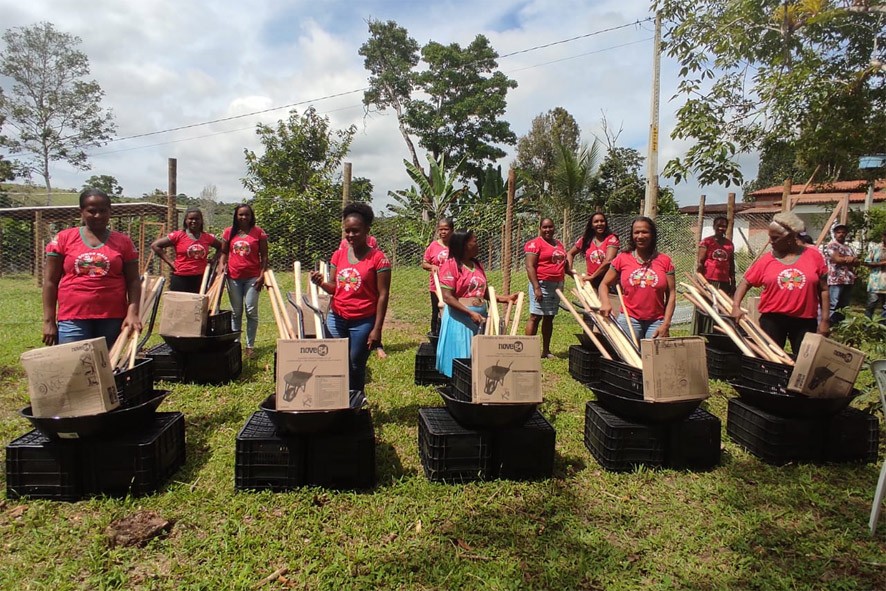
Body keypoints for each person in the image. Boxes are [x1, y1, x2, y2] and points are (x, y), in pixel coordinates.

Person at [42, 188, 142, 348]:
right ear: (81, 211)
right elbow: (50, 282)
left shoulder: (123, 242)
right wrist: (49, 321)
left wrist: (133, 313)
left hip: (112, 317)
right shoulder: (63, 239)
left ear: (110, 211)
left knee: (106, 367)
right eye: (91, 211)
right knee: (75, 367)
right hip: (73, 317)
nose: (98, 216)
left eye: (103, 211)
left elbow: (133, 281)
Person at [310, 203, 390, 393]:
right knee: (335, 362)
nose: (351, 235)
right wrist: (321, 282)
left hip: (363, 322)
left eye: (356, 231)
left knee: (355, 366)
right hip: (336, 318)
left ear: (367, 230)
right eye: (347, 231)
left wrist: (376, 329)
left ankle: (355, 405)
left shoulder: (379, 259)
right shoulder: (338, 255)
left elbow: (383, 294)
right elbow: (334, 289)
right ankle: (336, 402)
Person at [731, 212, 829, 354]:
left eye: (775, 238)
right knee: (770, 359)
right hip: (772, 320)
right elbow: (745, 283)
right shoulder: (766, 260)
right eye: (770, 237)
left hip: (804, 321)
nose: (770, 241)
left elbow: (824, 290)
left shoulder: (814, 256)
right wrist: (736, 306)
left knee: (804, 359)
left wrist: (825, 321)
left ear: (790, 237)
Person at [435, 230, 517, 378]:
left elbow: (483, 292)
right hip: (460, 320)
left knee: (478, 355)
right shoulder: (451, 265)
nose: (478, 244)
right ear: (464, 245)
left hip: (479, 318)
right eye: (474, 241)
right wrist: (470, 313)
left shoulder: (477, 264)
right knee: (463, 354)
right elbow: (447, 297)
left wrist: (505, 298)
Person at [598, 216, 676, 340]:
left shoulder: (665, 261)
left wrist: (666, 323)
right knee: (629, 357)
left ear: (652, 235)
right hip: (629, 319)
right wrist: (605, 303)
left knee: (655, 358)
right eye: (636, 232)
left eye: (644, 232)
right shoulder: (622, 258)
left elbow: (671, 294)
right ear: (632, 235)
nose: (640, 236)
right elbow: (604, 284)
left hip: (656, 321)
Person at [219, 204, 268, 358]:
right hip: (233, 277)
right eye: (240, 214)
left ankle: (250, 346)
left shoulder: (258, 233)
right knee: (236, 312)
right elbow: (224, 253)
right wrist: (221, 266)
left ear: (251, 216)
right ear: (236, 216)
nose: (243, 217)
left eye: (247, 215)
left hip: (253, 277)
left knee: (251, 311)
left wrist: (262, 275)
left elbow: (265, 256)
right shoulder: (228, 232)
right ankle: (236, 344)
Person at [524, 217, 569, 358]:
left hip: (556, 285)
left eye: (550, 227)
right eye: (545, 227)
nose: (548, 229)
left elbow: (564, 265)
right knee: (535, 316)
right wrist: (536, 287)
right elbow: (529, 266)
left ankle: (546, 351)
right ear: (540, 228)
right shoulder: (534, 244)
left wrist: (575, 276)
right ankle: (528, 351)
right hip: (541, 284)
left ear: (554, 228)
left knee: (549, 317)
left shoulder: (559, 244)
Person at [150, 208, 222, 293]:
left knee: (196, 304)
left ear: (201, 221)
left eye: (197, 219)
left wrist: (214, 260)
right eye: (191, 219)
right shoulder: (178, 236)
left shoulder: (207, 237)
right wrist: (171, 262)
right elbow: (155, 245)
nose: (194, 221)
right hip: (180, 277)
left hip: (200, 277)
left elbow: (221, 247)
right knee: (179, 304)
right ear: (185, 221)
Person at [693, 216, 736, 334]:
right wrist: (700, 282)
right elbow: (700, 262)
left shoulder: (729, 245)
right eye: (719, 226)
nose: (721, 228)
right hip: (708, 280)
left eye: (724, 226)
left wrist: (733, 282)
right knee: (706, 306)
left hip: (723, 283)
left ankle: (716, 332)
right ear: (714, 226)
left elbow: (731, 264)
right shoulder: (707, 242)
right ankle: (702, 331)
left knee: (721, 307)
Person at [566, 212, 619, 288]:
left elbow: (608, 260)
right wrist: (570, 270)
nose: (599, 224)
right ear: (591, 225)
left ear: (606, 223)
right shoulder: (586, 240)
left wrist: (593, 276)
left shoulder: (612, 239)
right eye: (596, 222)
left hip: (608, 281)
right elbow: (570, 253)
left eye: (602, 221)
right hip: (591, 282)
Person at [421, 218, 454, 336]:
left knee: (453, 310)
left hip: (453, 285)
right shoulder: (433, 246)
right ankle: (435, 335)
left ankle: (450, 334)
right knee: (437, 310)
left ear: (452, 230)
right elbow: (424, 263)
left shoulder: (456, 246)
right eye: (441, 229)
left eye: (446, 229)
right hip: (437, 286)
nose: (443, 232)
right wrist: (432, 267)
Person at [824, 223, 858, 324]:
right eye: (838, 232)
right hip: (835, 279)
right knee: (833, 304)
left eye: (843, 232)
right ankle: (828, 324)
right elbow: (836, 259)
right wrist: (849, 259)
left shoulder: (849, 247)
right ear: (834, 234)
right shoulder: (832, 245)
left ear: (846, 234)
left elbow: (857, 262)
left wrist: (851, 259)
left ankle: (840, 325)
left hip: (848, 280)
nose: (841, 234)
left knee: (844, 306)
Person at [863, 229, 886, 321]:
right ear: (883, 236)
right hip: (875, 283)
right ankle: (866, 328)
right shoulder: (876, 248)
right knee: (871, 306)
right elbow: (867, 262)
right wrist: (882, 263)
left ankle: (882, 328)